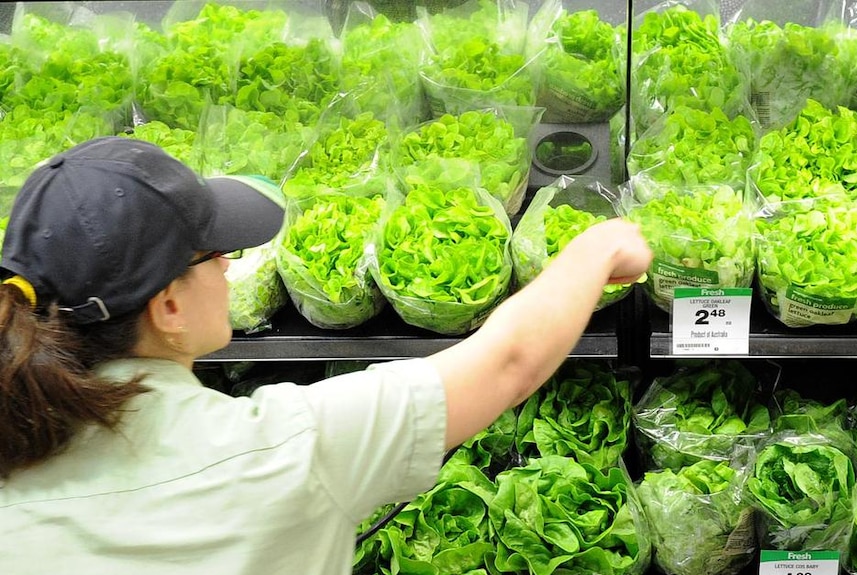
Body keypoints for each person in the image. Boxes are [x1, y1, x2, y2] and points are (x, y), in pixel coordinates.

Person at [0, 136, 652, 574]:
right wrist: (595, 251)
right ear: (167, 307)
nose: (231, 264)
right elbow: (511, 362)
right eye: (214, 252)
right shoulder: (285, 453)